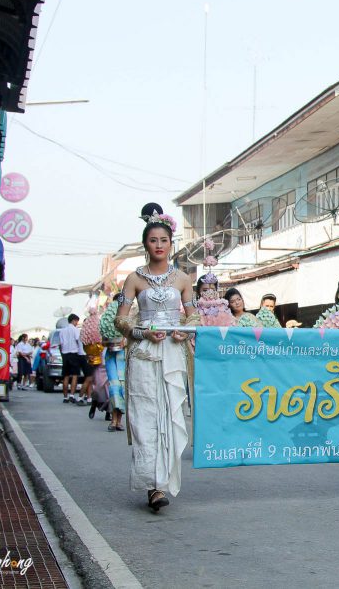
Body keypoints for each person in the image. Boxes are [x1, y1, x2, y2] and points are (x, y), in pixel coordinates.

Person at [115, 203, 197, 512]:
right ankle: (153, 485)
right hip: (144, 353)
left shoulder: (183, 279)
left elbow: (193, 316)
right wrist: (142, 332)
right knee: (146, 416)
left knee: (171, 415)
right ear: (145, 245)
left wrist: (184, 331)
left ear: (171, 244)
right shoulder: (134, 279)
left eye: (164, 240)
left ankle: (163, 481)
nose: (159, 245)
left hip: (173, 352)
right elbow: (121, 320)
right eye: (153, 240)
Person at [99, 293, 126, 433]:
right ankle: (114, 420)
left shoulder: (129, 317)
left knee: (123, 388)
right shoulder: (111, 315)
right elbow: (103, 341)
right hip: (112, 355)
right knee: (114, 387)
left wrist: (125, 341)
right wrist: (110, 341)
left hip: (124, 356)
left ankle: (118, 420)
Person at [58, 314, 84, 404]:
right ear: (73, 320)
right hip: (73, 353)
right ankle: (71, 395)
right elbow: (78, 340)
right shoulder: (75, 330)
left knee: (65, 375)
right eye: (77, 321)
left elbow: (61, 344)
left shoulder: (62, 331)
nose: (77, 323)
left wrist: (62, 353)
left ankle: (65, 397)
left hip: (65, 353)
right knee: (75, 375)